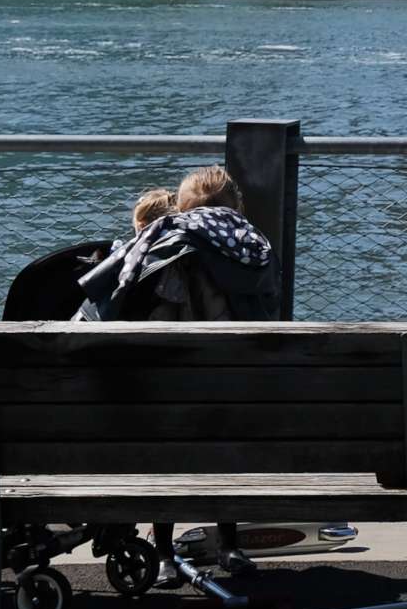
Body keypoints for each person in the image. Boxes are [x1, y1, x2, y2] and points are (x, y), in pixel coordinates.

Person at [78, 168, 280, 581]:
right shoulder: (256, 251)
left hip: (163, 404)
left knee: (162, 438)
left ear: (181, 207)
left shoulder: (163, 245)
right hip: (234, 402)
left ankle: (165, 552)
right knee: (223, 432)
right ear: (237, 207)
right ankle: (229, 546)